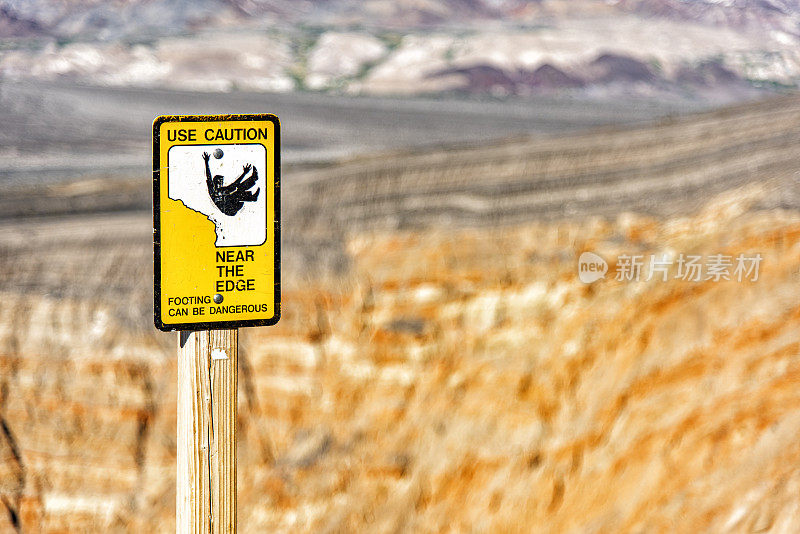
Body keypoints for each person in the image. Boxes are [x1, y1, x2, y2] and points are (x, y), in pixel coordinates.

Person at [203, 152, 260, 216]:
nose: (220, 184)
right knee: (234, 195)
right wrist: (206, 162)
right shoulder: (212, 190)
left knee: (238, 188)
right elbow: (209, 177)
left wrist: (244, 173)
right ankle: (252, 198)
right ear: (215, 182)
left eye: (221, 182)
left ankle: (253, 178)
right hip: (228, 210)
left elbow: (235, 184)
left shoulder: (224, 190)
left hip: (234, 205)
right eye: (219, 182)